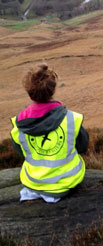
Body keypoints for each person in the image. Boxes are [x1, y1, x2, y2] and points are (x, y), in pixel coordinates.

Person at [10, 64, 89, 203]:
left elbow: (21, 151)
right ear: (53, 90)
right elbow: (82, 146)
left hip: (33, 183)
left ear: (29, 92)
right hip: (67, 182)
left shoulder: (19, 125)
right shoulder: (71, 119)